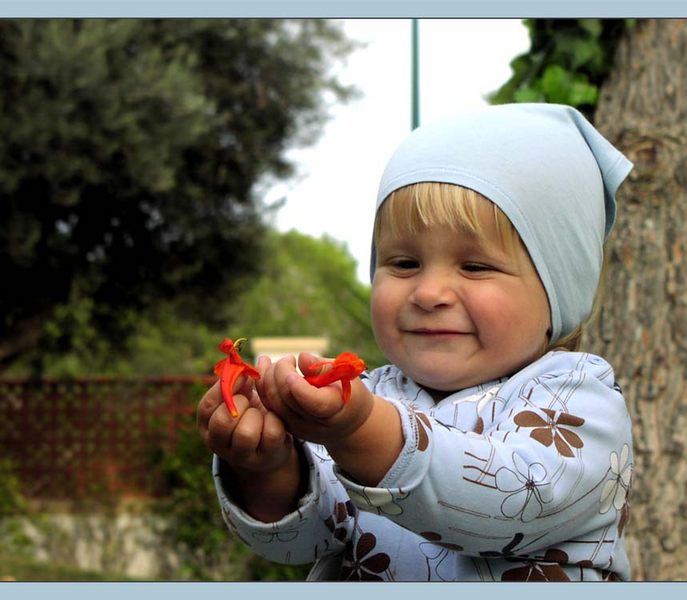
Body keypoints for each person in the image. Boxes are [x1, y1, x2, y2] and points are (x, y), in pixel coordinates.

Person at [197, 103, 635, 581]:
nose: (428, 293)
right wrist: (268, 466)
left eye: (475, 266)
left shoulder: (576, 396)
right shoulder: (367, 395)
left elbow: (516, 500)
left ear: (559, 288)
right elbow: (303, 540)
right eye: (404, 263)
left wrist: (361, 433)